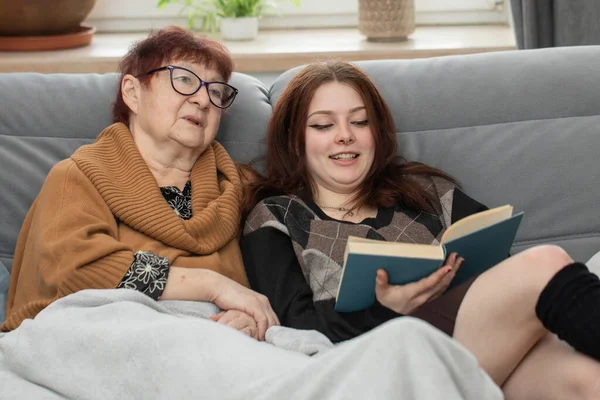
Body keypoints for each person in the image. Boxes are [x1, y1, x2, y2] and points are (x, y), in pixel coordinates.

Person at [241, 60, 600, 398]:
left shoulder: (427, 191)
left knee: (587, 379)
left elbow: (502, 272)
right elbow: (294, 327)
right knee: (544, 262)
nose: (345, 136)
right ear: (295, 139)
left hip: (481, 349)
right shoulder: (275, 217)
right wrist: (386, 307)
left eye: (360, 122)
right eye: (323, 125)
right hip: (387, 372)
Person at [1, 26, 279, 340]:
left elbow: (280, 284)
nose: (203, 100)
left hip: (210, 343)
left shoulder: (241, 189)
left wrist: (250, 318)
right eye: (184, 79)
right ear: (132, 93)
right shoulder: (77, 176)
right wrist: (215, 285)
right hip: (96, 336)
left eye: (216, 91)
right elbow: (76, 271)